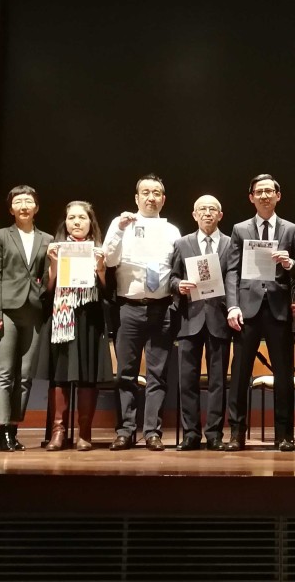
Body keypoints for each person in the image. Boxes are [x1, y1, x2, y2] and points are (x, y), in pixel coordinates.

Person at [224, 174, 295, 451]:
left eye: (270, 191)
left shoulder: (291, 230)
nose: (265, 195)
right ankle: (236, 433)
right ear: (251, 197)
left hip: (280, 309)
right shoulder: (240, 229)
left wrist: (291, 263)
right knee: (240, 373)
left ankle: (284, 435)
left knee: (284, 375)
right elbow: (232, 270)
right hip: (247, 309)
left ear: (278, 196)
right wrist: (232, 305)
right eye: (259, 191)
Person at [103, 174, 181, 451]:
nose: (151, 197)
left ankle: (152, 432)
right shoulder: (121, 223)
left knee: (158, 375)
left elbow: (177, 271)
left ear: (163, 198)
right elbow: (109, 260)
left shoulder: (172, 231)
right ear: (137, 198)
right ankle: (125, 430)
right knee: (125, 373)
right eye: (145, 192)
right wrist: (120, 230)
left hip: (162, 309)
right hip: (129, 308)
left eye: (156, 192)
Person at [38, 201, 111, 451]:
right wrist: (55, 265)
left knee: (87, 375)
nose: (76, 222)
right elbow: (45, 294)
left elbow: (108, 294)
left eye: (82, 217)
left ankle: (85, 432)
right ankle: (58, 432)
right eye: (71, 218)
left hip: (89, 319)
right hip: (62, 318)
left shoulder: (101, 251)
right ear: (65, 222)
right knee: (59, 374)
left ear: (91, 223)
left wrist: (100, 269)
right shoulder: (53, 250)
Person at [0, 185, 53, 452]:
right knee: (3, 372)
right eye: (18, 202)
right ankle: (2, 431)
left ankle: (14, 428)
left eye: (29, 201)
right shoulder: (1, 236)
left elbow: (49, 277)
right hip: (6, 309)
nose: (24, 206)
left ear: (36, 207)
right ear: (11, 208)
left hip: (34, 309)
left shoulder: (47, 239)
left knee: (25, 375)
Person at [168, 194, 232, 452]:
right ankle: (191, 433)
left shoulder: (230, 244)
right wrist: (178, 285)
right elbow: (171, 277)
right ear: (194, 215)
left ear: (220, 215)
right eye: (202, 209)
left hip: (219, 319)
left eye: (212, 209)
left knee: (218, 380)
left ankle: (214, 434)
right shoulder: (182, 244)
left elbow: (235, 280)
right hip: (189, 319)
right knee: (187, 380)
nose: (207, 213)